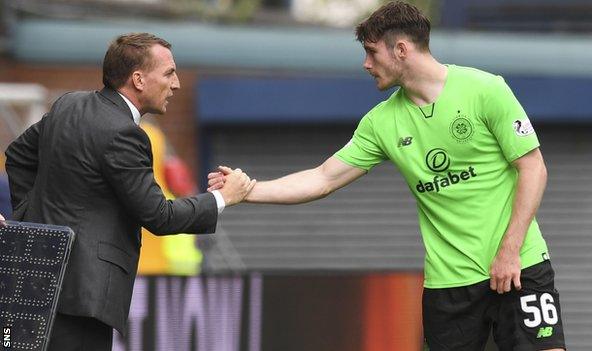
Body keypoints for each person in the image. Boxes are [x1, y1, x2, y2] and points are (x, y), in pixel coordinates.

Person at [208, 2, 565, 350]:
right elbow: (323, 178)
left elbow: (533, 167)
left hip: (520, 264)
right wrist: (248, 190)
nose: (366, 64)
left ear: (401, 49)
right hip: (449, 285)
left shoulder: (485, 90)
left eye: (371, 53)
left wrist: (510, 250)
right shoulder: (381, 122)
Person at [5, 33, 255, 351]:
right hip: (82, 299)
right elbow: (159, 216)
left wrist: (32, 223)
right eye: (169, 73)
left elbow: (17, 156)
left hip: (35, 282)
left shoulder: (69, 104)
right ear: (138, 79)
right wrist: (222, 197)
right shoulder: (126, 134)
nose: (176, 84)